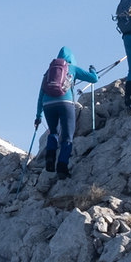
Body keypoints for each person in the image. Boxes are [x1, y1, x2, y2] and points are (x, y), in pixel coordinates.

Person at [36, 47, 102, 177]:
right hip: (65, 104)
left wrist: (38, 116)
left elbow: (40, 95)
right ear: (71, 58)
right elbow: (94, 79)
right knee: (67, 137)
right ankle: (62, 167)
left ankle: (50, 159)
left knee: (53, 132)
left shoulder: (49, 71)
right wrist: (92, 70)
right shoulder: (73, 68)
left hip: (47, 105)